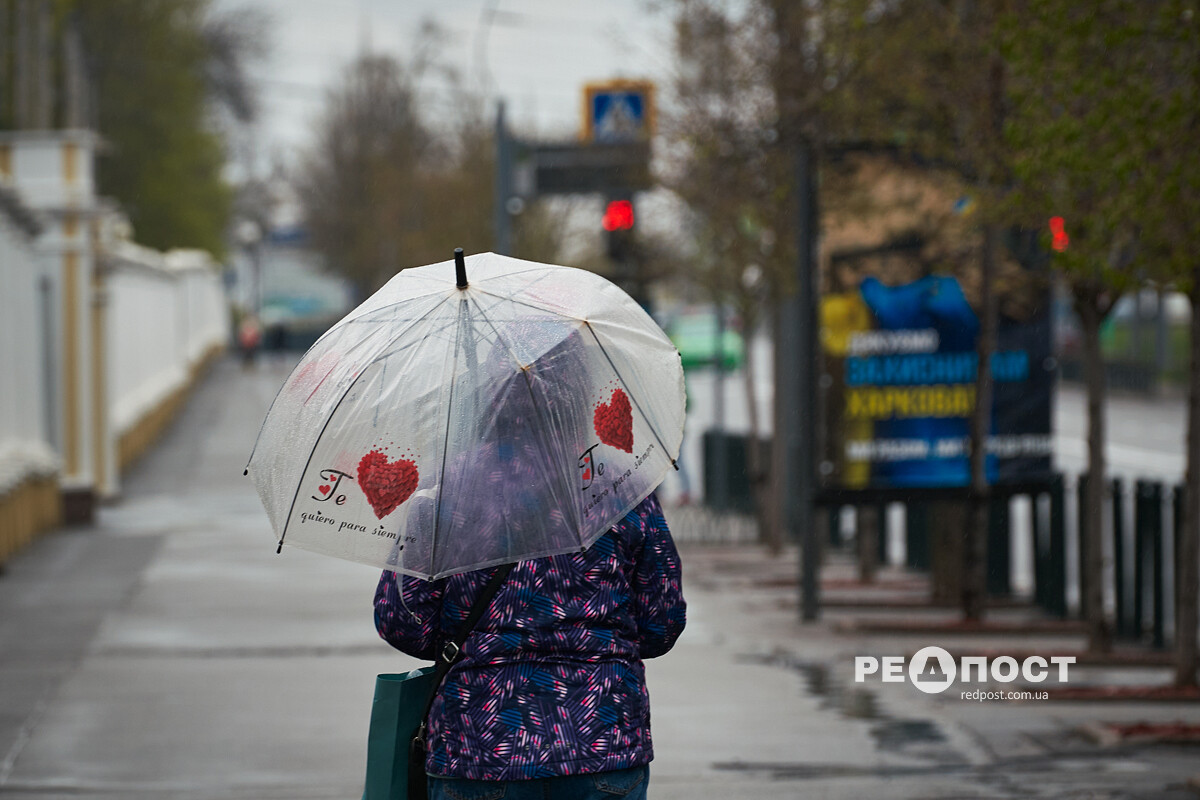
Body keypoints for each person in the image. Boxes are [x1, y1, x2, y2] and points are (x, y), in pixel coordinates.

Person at [374, 492, 685, 799]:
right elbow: (661, 621)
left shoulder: (443, 498)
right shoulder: (623, 493)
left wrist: (473, 645)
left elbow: (402, 621)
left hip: (480, 742)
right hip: (602, 735)